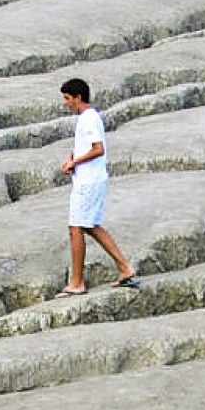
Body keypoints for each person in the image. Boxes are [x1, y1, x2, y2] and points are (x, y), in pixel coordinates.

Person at [56, 78, 138, 297]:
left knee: (76, 228)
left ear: (78, 97)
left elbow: (98, 148)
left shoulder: (89, 118)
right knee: (90, 225)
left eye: (67, 98)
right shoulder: (86, 118)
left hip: (89, 180)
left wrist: (75, 163)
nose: (66, 103)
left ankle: (77, 282)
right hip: (89, 178)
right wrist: (71, 158)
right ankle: (124, 267)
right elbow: (86, 147)